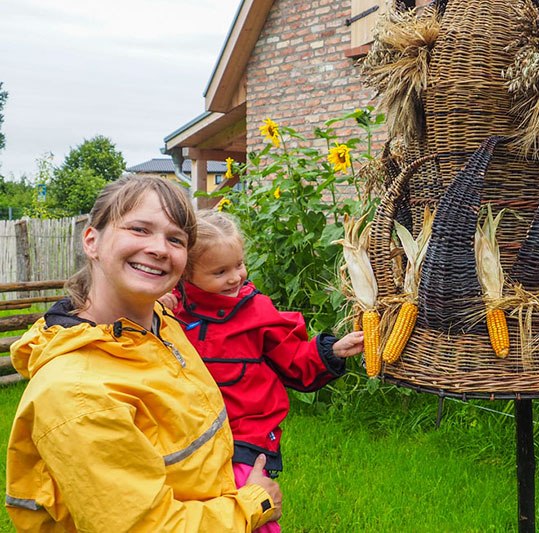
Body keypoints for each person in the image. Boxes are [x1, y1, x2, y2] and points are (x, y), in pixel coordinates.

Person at [6, 175, 282, 531]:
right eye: (139, 229)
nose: (160, 249)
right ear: (92, 240)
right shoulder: (78, 394)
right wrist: (253, 504)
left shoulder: (161, 324)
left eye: (175, 239)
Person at [162, 209, 363, 533]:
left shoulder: (256, 311)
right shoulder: (171, 312)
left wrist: (332, 351)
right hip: (190, 437)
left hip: (247, 436)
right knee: (199, 509)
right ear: (186, 273)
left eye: (239, 265)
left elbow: (294, 360)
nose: (235, 277)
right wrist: (156, 304)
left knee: (251, 506)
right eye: (220, 271)